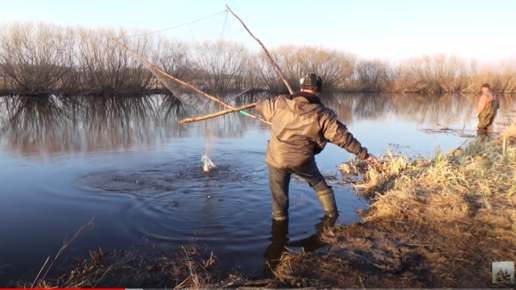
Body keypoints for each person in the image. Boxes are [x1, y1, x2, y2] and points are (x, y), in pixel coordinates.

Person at [256, 73, 377, 221]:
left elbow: (260, 104)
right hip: (302, 160)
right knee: (320, 185)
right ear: (319, 91)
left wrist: (280, 100)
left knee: (278, 195)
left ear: (302, 88)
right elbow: (343, 138)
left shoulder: (280, 103)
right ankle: (332, 215)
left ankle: (279, 221)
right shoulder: (324, 114)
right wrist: (365, 155)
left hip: (276, 158)